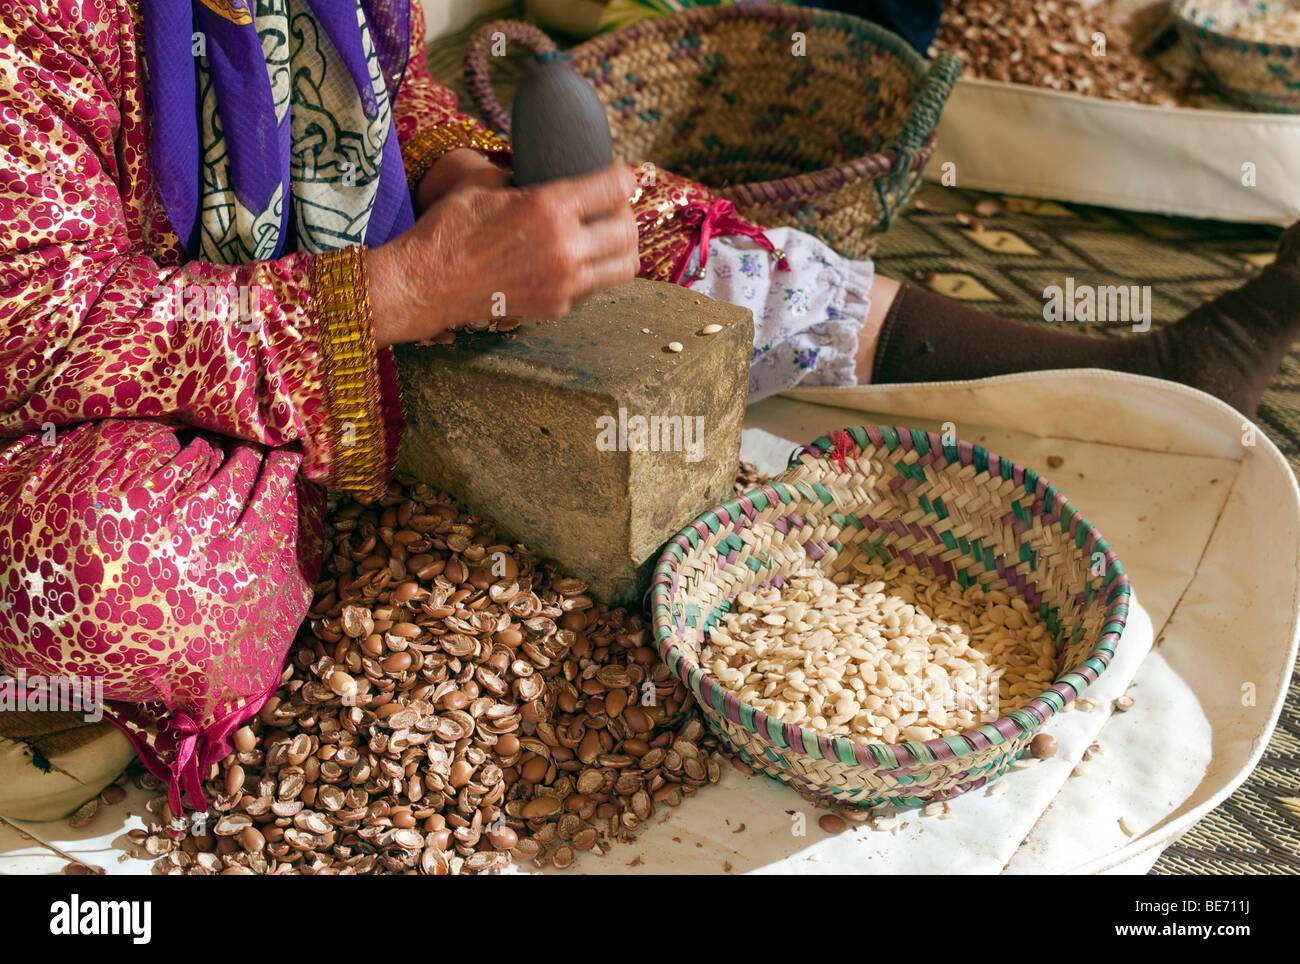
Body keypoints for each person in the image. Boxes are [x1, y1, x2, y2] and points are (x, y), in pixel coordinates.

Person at [0, 0, 1296, 823]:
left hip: (333, 294)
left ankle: (1148, 366)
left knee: (630, 219)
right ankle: (332, 537)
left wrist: (455, 162)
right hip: (126, 392)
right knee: (112, 576)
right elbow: (43, 327)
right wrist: (399, 292)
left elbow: (381, 87)